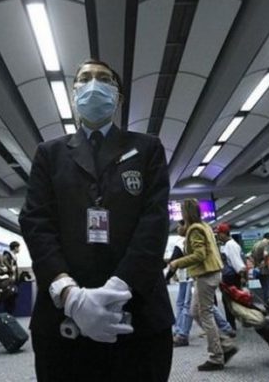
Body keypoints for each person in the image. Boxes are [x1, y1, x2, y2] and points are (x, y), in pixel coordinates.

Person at [19, 59, 174, 381]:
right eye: (84, 78)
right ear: (74, 93)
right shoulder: (50, 153)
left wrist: (117, 288)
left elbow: (154, 221)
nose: (93, 84)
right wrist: (69, 294)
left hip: (139, 313)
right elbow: (36, 222)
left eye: (103, 79)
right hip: (62, 318)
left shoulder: (146, 148)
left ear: (117, 97)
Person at [169, 199, 238, 371]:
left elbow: (199, 254)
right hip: (211, 274)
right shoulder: (204, 226)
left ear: (186, 212)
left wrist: (178, 262)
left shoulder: (195, 229)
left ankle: (216, 357)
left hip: (206, 275)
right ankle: (226, 345)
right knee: (195, 312)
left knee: (204, 314)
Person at [168, 221, 235, 347]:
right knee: (199, 308)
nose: (177, 229)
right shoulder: (201, 233)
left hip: (200, 276)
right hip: (199, 276)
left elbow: (199, 255)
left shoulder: (194, 233)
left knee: (196, 308)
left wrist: (177, 264)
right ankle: (224, 335)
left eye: (179, 225)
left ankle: (183, 335)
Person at [216, 223, 246, 326]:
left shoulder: (230, 245)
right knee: (231, 301)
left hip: (231, 278)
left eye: (219, 233)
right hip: (232, 277)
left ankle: (232, 324)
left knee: (229, 301)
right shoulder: (229, 244)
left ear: (224, 233)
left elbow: (237, 263)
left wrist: (242, 276)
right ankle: (237, 322)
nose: (218, 236)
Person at [252, 232, 269, 302]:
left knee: (264, 288)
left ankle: (266, 305)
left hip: (258, 270)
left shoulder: (256, 244)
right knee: (268, 289)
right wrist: (265, 264)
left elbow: (250, 256)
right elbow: (265, 254)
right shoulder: (266, 243)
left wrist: (257, 265)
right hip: (264, 270)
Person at [0, 241, 21, 314]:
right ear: (15, 247)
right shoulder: (8, 255)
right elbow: (5, 264)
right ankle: (8, 316)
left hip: (13, 281)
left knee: (12, 300)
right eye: (18, 247)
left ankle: (9, 315)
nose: (19, 249)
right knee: (8, 300)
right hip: (9, 281)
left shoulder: (13, 257)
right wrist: (10, 270)